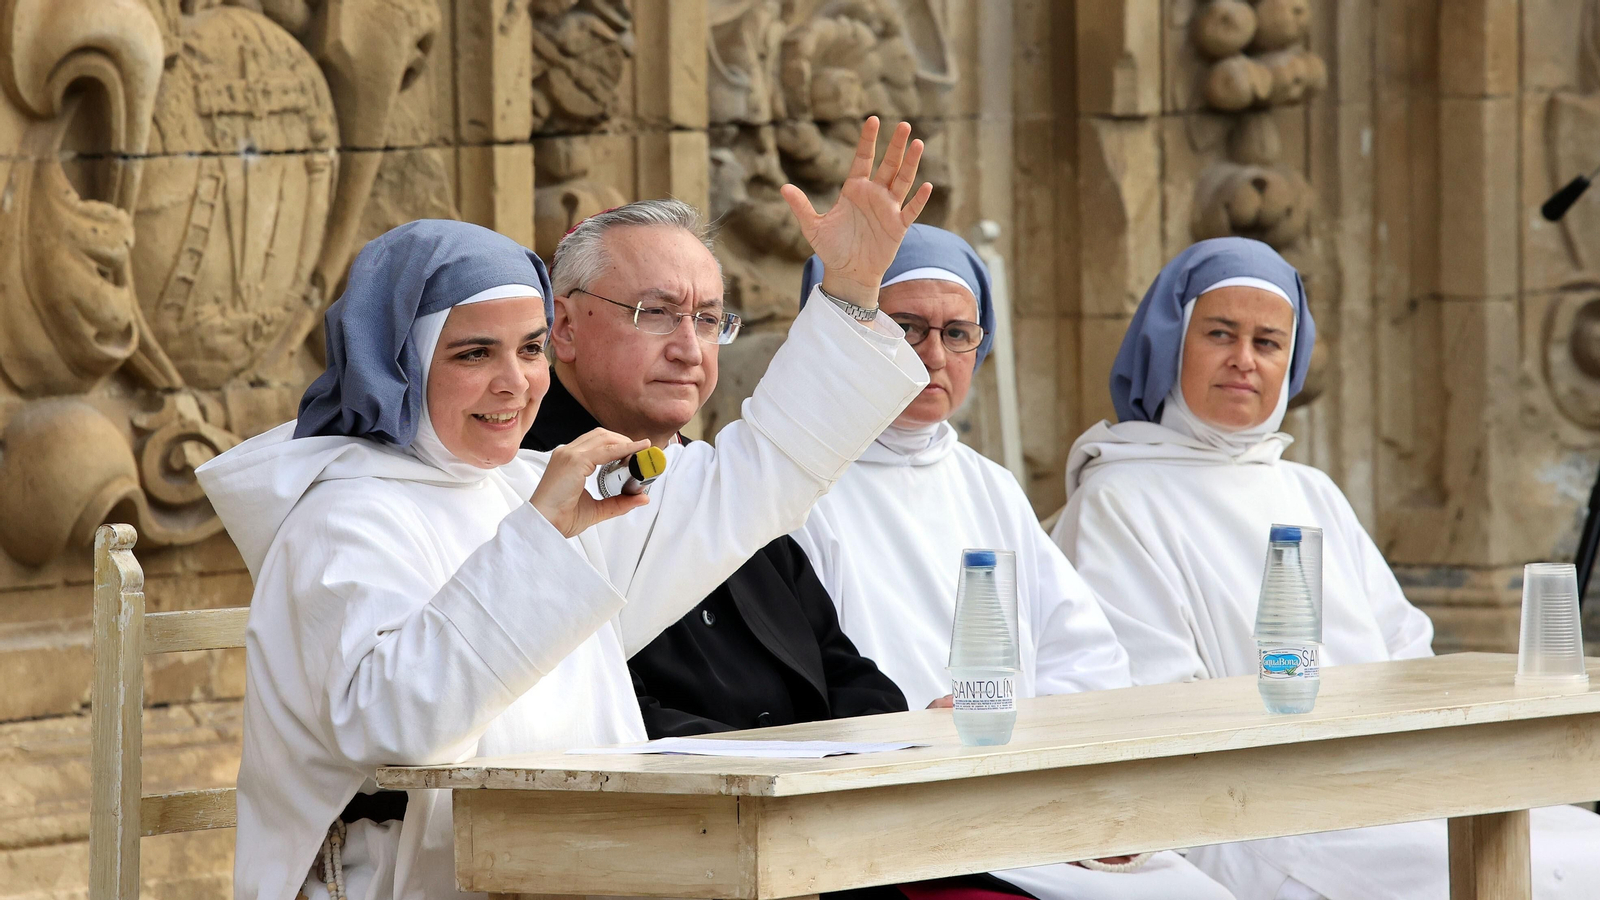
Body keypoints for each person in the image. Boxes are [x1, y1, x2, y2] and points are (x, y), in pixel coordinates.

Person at [196, 116, 935, 900]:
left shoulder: (528, 485)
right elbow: (397, 728)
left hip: (575, 869)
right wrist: (543, 536)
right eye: (473, 352)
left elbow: (756, 481)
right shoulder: (340, 518)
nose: (514, 383)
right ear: (399, 365)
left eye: (528, 349)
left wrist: (851, 295)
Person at [1049, 236, 1600, 900]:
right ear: (1170, 344)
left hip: (1396, 781)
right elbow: (1151, 703)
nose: (1243, 361)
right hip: (1252, 808)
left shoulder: (1310, 491)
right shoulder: (1119, 497)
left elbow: (1405, 653)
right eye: (1220, 333)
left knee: (1579, 849)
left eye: (1267, 342)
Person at [790, 225, 1239, 900]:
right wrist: (919, 726)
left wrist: (1025, 728)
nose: (934, 355)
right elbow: (793, 686)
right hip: (893, 819)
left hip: (1028, 795)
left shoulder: (989, 486)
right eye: (906, 327)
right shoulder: (797, 482)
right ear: (844, 330)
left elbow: (1086, 662)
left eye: (958, 333)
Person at [521, 199, 908, 737]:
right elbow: (588, 709)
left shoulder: (716, 481)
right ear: (563, 325)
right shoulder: (527, 487)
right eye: (655, 314)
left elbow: (846, 673)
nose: (690, 350)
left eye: (707, 320)